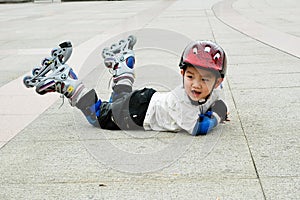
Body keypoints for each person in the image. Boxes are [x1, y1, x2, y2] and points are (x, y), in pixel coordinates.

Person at [23, 36, 228, 135]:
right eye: (191, 76)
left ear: (218, 82)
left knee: (119, 100)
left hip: (148, 99)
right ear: (182, 73)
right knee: (100, 116)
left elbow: (216, 100)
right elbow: (198, 128)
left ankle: (123, 69)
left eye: (205, 80)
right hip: (137, 113)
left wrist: (218, 106)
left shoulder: (212, 92)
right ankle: (68, 84)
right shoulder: (185, 103)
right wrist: (218, 114)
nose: (196, 84)